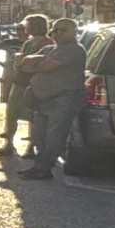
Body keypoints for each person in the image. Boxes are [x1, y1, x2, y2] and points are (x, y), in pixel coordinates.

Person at [20, 18, 88, 180]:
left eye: (62, 30)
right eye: (54, 30)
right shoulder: (51, 48)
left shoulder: (74, 49)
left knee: (54, 137)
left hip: (63, 99)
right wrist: (28, 63)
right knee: (40, 136)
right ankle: (39, 166)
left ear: (74, 32)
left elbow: (45, 66)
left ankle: (43, 168)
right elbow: (22, 63)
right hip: (42, 100)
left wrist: (32, 65)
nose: (57, 33)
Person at [0, 14, 50, 157]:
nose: (25, 27)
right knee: (12, 114)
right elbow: (18, 64)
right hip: (19, 83)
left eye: (27, 24)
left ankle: (32, 147)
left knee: (33, 117)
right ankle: (9, 144)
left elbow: (39, 64)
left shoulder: (47, 43)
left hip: (35, 85)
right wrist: (22, 64)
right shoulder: (28, 43)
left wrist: (23, 64)